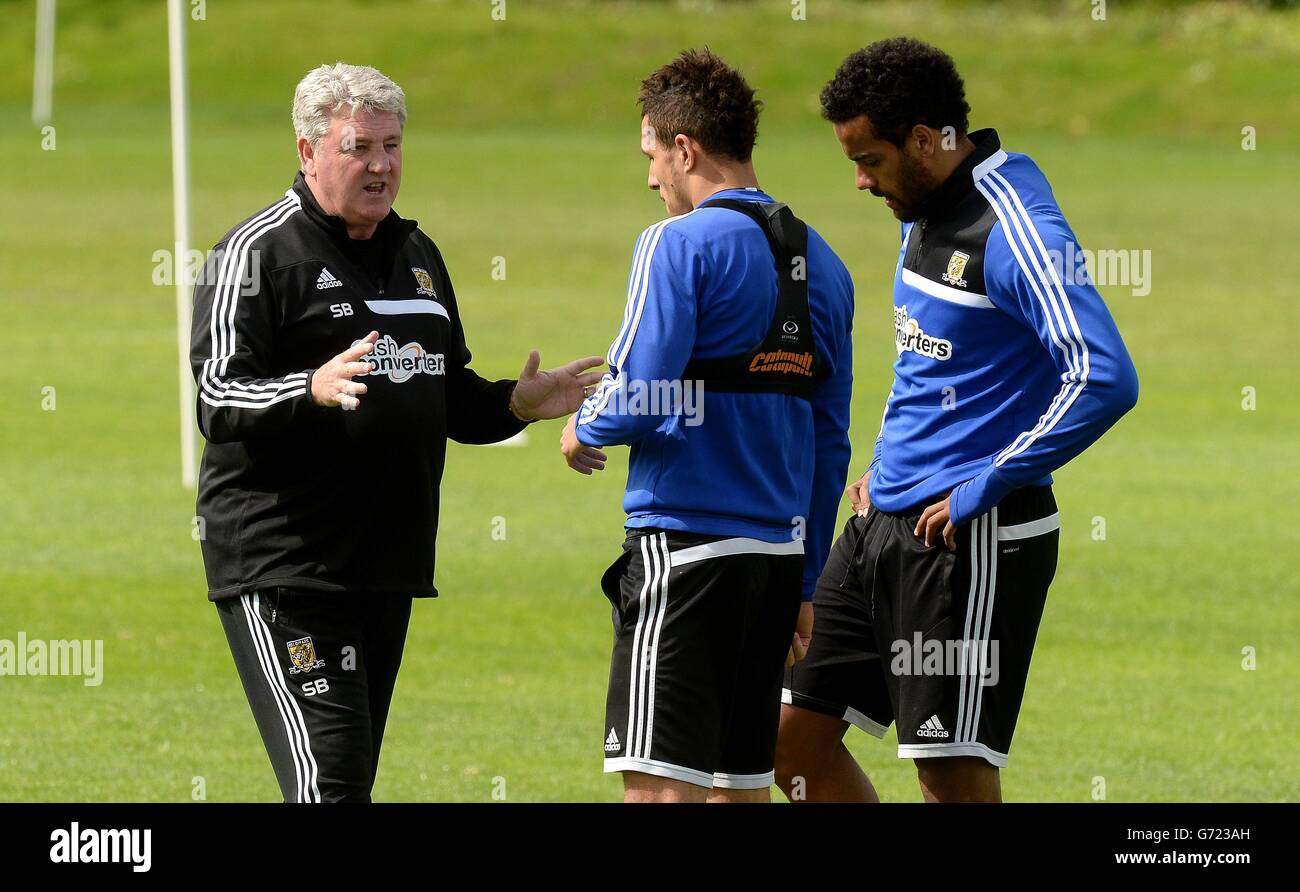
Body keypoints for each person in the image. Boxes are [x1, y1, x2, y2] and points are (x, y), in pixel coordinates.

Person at [190, 62, 603, 802]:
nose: (380, 164)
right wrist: (308, 389)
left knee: (345, 781)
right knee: (331, 783)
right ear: (308, 150)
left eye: (392, 146)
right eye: (358, 148)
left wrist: (514, 402)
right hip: (286, 569)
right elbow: (219, 397)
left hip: (385, 570)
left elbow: (440, 398)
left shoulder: (418, 257)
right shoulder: (254, 255)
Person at [777, 37, 1139, 803]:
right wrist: (889, 459)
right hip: (883, 523)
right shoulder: (924, 205)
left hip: (970, 540)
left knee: (948, 774)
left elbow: (1104, 376)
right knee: (787, 747)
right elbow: (931, 360)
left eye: (869, 159)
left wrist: (987, 483)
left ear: (922, 141)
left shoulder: (1017, 229)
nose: (858, 180)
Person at [560, 49, 855, 803]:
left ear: (683, 148)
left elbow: (641, 388)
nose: (650, 177)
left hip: (686, 547)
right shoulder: (826, 264)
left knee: (661, 789)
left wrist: (583, 427)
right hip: (776, 564)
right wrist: (808, 577)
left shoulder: (675, 244)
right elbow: (830, 439)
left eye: (652, 155)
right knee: (738, 788)